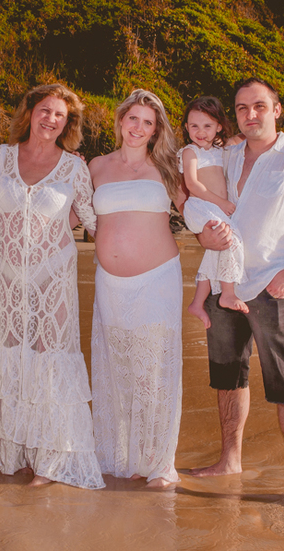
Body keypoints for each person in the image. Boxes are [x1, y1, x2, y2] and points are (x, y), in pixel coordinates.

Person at [191, 78, 284, 509]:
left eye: (258, 106)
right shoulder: (226, 155)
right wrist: (202, 237)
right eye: (241, 108)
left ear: (277, 109)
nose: (250, 114)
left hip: (275, 285)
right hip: (225, 282)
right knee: (228, 377)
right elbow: (195, 199)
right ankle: (229, 460)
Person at [0, 83, 104, 489]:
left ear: (68, 124)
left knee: (50, 361)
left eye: (60, 115)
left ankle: (51, 461)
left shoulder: (74, 168)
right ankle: (15, 455)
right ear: (30, 112)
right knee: (14, 359)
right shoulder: (0, 157)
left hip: (54, 279)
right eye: (45, 110)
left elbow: (92, 220)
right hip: (9, 281)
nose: (51, 119)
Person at [88, 89, 186, 489]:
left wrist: (220, 232)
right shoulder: (96, 166)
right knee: (117, 368)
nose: (138, 128)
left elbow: (195, 207)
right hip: (109, 284)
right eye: (133, 119)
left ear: (156, 130)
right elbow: (73, 211)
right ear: (120, 119)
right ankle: (120, 458)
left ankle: (158, 463)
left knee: (154, 370)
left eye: (148, 122)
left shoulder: (167, 168)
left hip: (157, 280)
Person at [178, 96, 246, 328]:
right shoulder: (190, 152)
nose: (200, 132)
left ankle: (198, 302)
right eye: (194, 126)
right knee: (230, 240)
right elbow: (192, 184)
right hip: (200, 206)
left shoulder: (220, 150)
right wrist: (222, 203)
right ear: (186, 127)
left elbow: (242, 139)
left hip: (213, 208)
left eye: (207, 126)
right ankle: (227, 293)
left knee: (215, 251)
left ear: (218, 126)